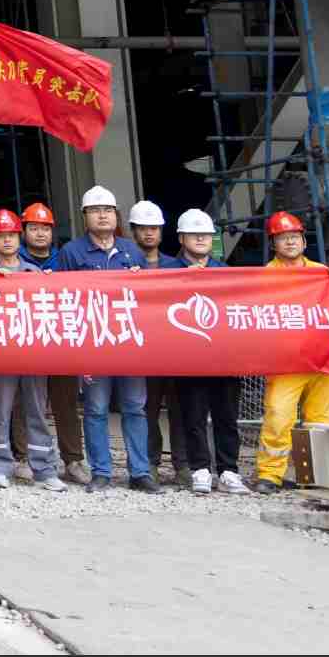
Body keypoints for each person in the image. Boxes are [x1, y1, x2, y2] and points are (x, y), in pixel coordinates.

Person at [57, 186, 159, 495]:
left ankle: (140, 472)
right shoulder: (71, 252)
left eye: (108, 210)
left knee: (135, 408)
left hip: (129, 343)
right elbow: (63, 298)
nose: (102, 215)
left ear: (116, 215)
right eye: (95, 210)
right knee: (96, 408)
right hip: (94, 344)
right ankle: (101, 472)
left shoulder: (132, 251)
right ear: (85, 216)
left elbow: (147, 299)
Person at [255, 211, 329, 495]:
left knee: (321, 422)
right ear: (273, 244)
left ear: (303, 241)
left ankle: (314, 476)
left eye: (294, 237)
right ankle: (270, 475)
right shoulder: (265, 277)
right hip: (286, 361)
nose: (289, 242)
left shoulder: (321, 272)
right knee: (278, 416)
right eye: (282, 238)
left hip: (325, 359)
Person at [0, 209, 65, 493]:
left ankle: (44, 469)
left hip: (31, 352)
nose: (8, 240)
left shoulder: (31, 272)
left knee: (36, 410)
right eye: (1, 235)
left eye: (12, 235)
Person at [168, 210, 248, 495]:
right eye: (194, 234)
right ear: (182, 238)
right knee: (193, 416)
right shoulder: (166, 272)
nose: (201, 238)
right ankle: (200, 469)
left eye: (206, 234)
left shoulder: (225, 272)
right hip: (187, 358)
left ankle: (229, 471)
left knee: (227, 417)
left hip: (224, 358)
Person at [24, 200, 88, 485]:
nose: (40, 234)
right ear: (24, 231)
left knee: (66, 404)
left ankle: (72, 460)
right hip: (27, 343)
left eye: (45, 228)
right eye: (33, 228)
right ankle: (24, 457)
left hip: (61, 342)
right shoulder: (15, 262)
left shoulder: (65, 260)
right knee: (26, 405)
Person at [129, 200, 190, 487]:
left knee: (179, 408)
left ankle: (183, 464)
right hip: (141, 348)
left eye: (154, 228)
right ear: (133, 231)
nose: (149, 233)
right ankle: (150, 462)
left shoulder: (176, 266)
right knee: (146, 409)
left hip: (174, 348)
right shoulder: (125, 266)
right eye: (143, 228)